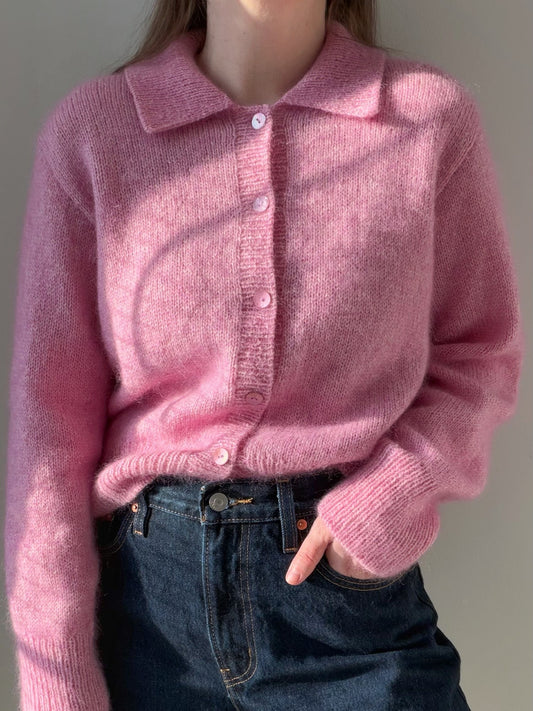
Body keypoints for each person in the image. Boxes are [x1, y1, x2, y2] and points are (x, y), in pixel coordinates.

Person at [4, 1, 524, 709]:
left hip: (342, 605)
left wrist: (389, 496)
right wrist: (55, 669)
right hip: (141, 612)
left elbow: (481, 352)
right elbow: (48, 424)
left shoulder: (425, 119)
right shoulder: (96, 130)